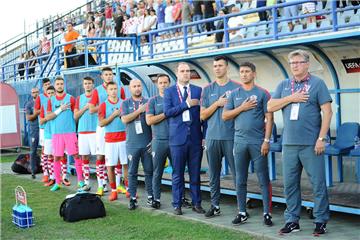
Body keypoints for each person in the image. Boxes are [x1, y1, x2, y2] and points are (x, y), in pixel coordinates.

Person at [267, 49, 332, 235]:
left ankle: (320, 220)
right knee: (290, 184)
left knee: (318, 183)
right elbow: (270, 106)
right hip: (289, 144)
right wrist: (291, 98)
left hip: (311, 144)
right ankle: (292, 221)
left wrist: (321, 138)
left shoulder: (317, 84)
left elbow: (328, 112)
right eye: (292, 63)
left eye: (298, 62)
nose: (295, 66)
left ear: (307, 64)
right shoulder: (284, 85)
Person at [223, 62, 273, 226]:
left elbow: (269, 118)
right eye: (241, 72)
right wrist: (242, 108)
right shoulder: (234, 94)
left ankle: (267, 213)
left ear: (254, 73)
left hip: (257, 142)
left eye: (247, 71)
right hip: (239, 142)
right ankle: (242, 212)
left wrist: (266, 140)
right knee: (240, 179)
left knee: (263, 178)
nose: (243, 74)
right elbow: (225, 115)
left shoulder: (262, 93)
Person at [200, 56, 242, 218]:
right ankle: (215, 205)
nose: (217, 68)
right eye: (215, 66)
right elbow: (202, 115)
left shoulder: (237, 87)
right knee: (213, 174)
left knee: (238, 174)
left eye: (220, 65)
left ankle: (241, 208)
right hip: (212, 137)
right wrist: (217, 104)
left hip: (232, 137)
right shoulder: (208, 89)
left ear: (227, 68)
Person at [163, 62, 204, 215]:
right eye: (182, 71)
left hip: (194, 138)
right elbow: (167, 112)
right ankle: (177, 204)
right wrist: (186, 104)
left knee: (195, 173)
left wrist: (204, 136)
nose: (186, 73)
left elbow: (203, 115)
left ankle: (197, 203)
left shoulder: (198, 90)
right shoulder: (170, 92)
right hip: (177, 139)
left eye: (188, 71)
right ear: (177, 73)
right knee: (177, 173)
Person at [89, 67, 126, 196]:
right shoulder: (96, 91)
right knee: (101, 156)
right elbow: (91, 109)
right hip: (103, 127)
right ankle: (101, 185)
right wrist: (107, 106)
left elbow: (123, 105)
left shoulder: (119, 88)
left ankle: (118, 185)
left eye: (111, 74)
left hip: (118, 128)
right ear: (102, 76)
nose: (109, 76)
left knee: (119, 158)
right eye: (106, 74)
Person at [45, 76, 85, 192]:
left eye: (61, 83)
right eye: (57, 84)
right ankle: (57, 182)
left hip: (70, 133)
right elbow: (48, 117)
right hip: (56, 133)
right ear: (55, 85)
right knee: (57, 157)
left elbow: (75, 115)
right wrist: (60, 109)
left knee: (76, 155)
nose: (59, 86)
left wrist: (73, 126)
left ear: (64, 85)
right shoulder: (51, 100)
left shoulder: (71, 98)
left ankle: (80, 181)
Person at [121, 79, 153, 210]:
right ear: (130, 88)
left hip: (147, 143)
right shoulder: (125, 103)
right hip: (132, 144)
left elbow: (153, 122)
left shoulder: (149, 101)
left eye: (139, 85)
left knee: (149, 171)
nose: (137, 88)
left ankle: (151, 196)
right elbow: (125, 119)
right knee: (132, 172)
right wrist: (139, 111)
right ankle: (133, 198)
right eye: (134, 86)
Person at [99, 81, 128, 201]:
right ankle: (114, 191)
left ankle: (128, 189)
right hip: (110, 139)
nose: (113, 91)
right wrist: (114, 115)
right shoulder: (103, 105)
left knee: (126, 164)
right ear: (107, 91)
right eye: (111, 89)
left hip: (124, 137)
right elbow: (101, 123)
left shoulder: (124, 103)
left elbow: (128, 119)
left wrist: (121, 116)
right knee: (110, 166)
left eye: (115, 89)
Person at [146, 74, 171, 209]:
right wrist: (165, 114)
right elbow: (149, 120)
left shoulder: (175, 100)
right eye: (161, 83)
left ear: (169, 83)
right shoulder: (153, 101)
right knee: (157, 172)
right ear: (157, 85)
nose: (163, 85)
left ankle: (179, 199)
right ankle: (156, 198)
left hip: (174, 141)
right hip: (159, 141)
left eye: (165, 82)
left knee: (178, 171)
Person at [74, 77, 98, 192]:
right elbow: (76, 116)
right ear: (83, 86)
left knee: (99, 156)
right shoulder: (79, 98)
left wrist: (93, 107)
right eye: (85, 83)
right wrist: (85, 107)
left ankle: (101, 184)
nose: (87, 85)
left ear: (93, 85)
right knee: (84, 156)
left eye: (89, 83)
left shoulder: (97, 96)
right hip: (82, 131)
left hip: (95, 131)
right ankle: (86, 182)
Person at [34, 78, 52, 184]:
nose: (47, 86)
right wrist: (44, 109)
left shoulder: (54, 96)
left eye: (49, 84)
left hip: (54, 128)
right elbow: (36, 111)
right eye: (46, 85)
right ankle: (45, 173)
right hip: (44, 127)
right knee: (45, 150)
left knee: (55, 152)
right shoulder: (40, 97)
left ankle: (55, 173)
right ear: (43, 86)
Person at [39, 86, 56, 187]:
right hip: (48, 134)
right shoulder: (44, 106)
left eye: (52, 93)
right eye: (48, 93)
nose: (50, 95)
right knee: (49, 155)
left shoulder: (59, 104)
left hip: (58, 133)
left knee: (60, 156)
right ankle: (51, 177)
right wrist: (49, 117)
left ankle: (61, 177)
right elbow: (41, 121)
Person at [25, 88, 40, 178]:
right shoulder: (29, 104)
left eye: (37, 92)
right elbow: (28, 118)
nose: (35, 94)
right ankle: (33, 171)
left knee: (47, 150)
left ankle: (48, 171)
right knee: (33, 150)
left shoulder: (43, 102)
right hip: (33, 130)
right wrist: (37, 113)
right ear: (31, 94)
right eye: (33, 92)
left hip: (44, 129)